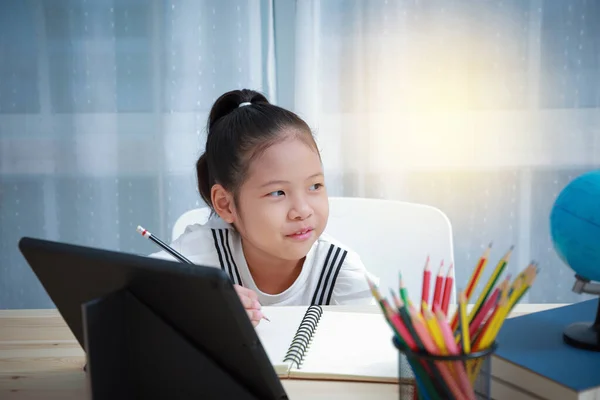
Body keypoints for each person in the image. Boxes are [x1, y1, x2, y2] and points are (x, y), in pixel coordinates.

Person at [150, 89, 378, 327]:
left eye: (315, 186)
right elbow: (128, 302)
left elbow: (365, 351)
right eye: (278, 192)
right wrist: (195, 307)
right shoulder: (200, 252)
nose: (302, 210)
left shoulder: (340, 271)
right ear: (225, 204)